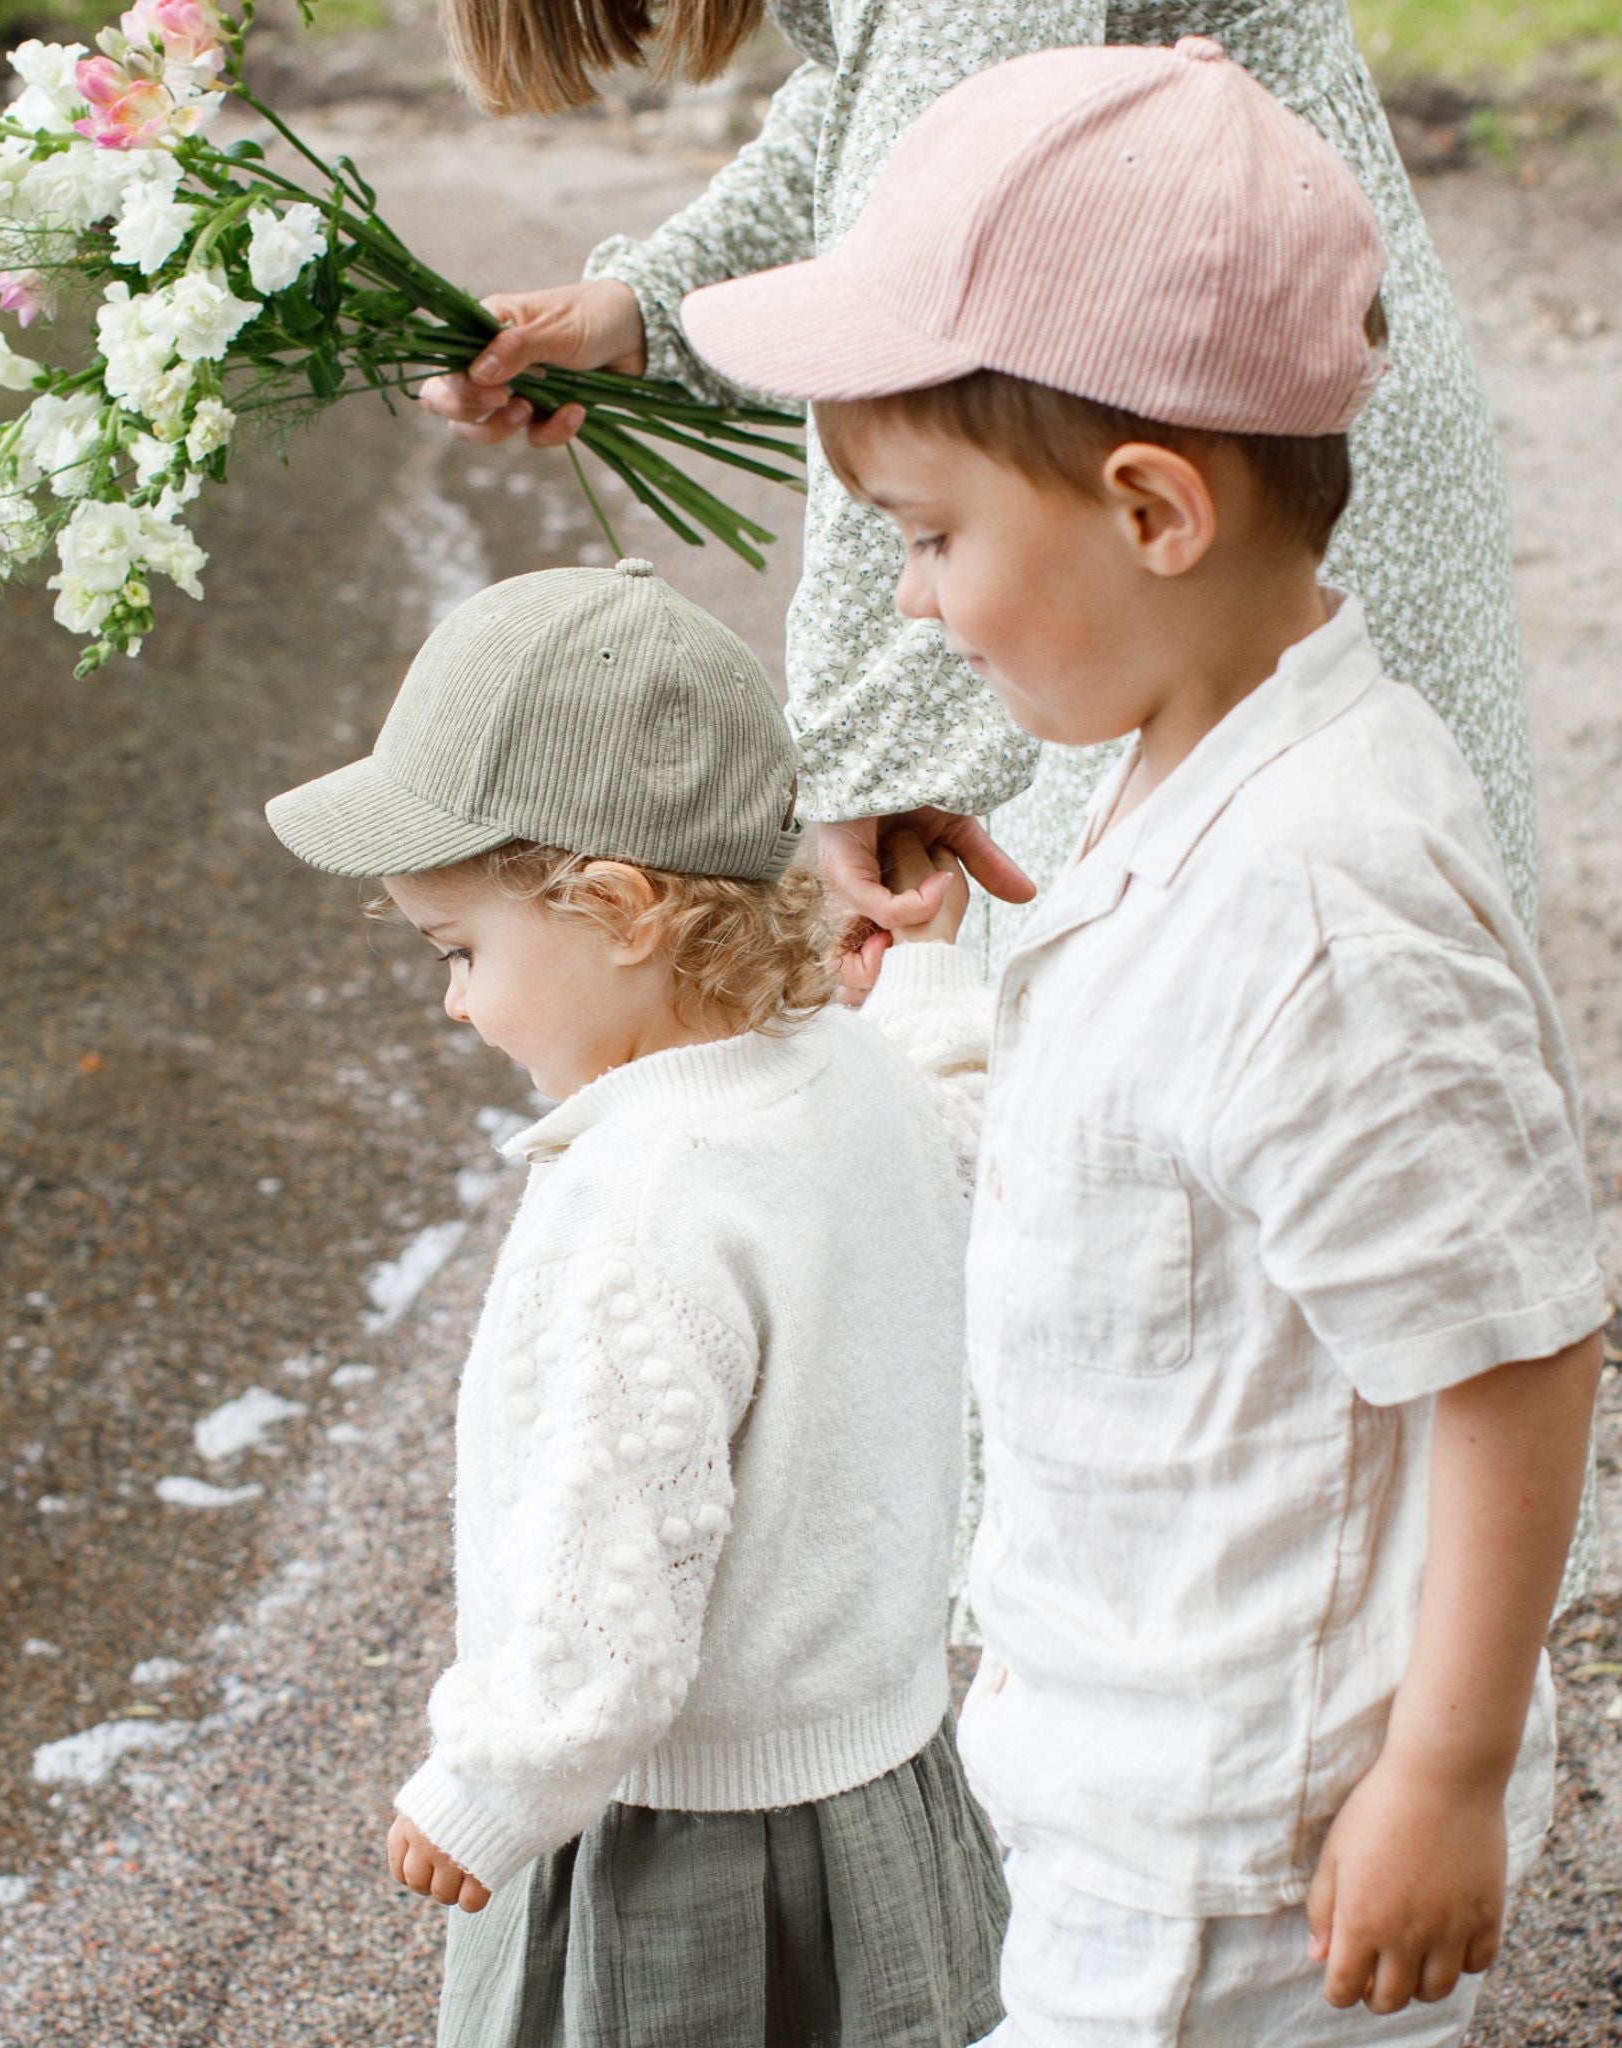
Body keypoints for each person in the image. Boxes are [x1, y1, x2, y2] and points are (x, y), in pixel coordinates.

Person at [417, 0, 1601, 1606]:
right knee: (1146, 1124)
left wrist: (870, 756)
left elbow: (942, 319)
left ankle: (1363, 1618)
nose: (914, 587)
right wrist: (649, 303)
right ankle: (1178, 1575)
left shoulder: (1322, 859)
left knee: (1260, 1092)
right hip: (1150, 490)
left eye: (923, 543)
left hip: (1174, 466)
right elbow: (890, 139)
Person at [678, 38, 1608, 2044]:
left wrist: (1442, 1775)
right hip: (1132, 1753)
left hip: (1248, 1849)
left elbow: (1517, 1343)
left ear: (1153, 510)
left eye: (930, 536)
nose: (911, 605)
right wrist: (975, 969)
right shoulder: (1185, 757)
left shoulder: (1325, 908)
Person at [265, 560, 1009, 2046]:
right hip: (888, 1787)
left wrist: (492, 1786)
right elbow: (958, 1126)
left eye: (461, 953)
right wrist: (929, 978)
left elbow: (614, 1566)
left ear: (617, 908)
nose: (455, 1003)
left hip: (684, 1846)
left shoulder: (644, 1207)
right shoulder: (845, 1076)